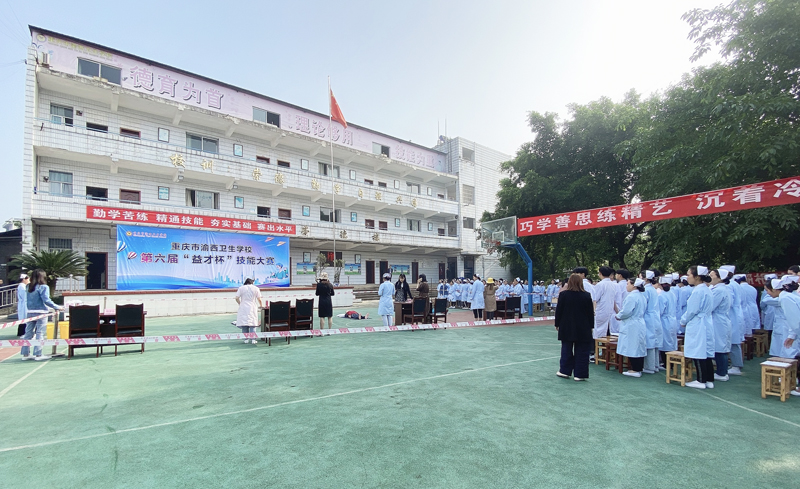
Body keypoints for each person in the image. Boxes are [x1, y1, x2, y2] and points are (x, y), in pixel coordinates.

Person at [555, 274, 595, 381]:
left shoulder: (564, 295)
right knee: (582, 351)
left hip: (567, 326)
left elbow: (559, 311)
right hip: (583, 327)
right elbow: (590, 313)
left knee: (566, 349)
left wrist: (557, 323)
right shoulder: (586, 295)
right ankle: (580, 374)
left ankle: (564, 371)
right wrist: (591, 325)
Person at [680, 266, 715, 389]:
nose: (687, 277)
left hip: (698, 323)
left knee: (698, 351)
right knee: (706, 351)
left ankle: (701, 380)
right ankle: (709, 379)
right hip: (705, 322)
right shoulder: (706, 290)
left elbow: (692, 310)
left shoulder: (698, 291)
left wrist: (683, 321)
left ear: (697, 277)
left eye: (689, 274)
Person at [20, 269, 64, 361]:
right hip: (41, 312)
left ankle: (25, 354)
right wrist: (57, 307)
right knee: (40, 333)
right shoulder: (43, 287)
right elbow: (46, 300)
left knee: (28, 333)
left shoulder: (28, 286)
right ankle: (38, 354)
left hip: (30, 311)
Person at [616, 277, 648, 377]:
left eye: (628, 283)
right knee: (637, 345)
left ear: (633, 285)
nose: (626, 286)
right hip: (639, 322)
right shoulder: (641, 296)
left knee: (632, 346)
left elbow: (626, 311)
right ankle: (637, 368)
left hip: (632, 324)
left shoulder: (632, 297)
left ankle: (636, 369)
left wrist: (618, 316)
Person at [774, 275, 800, 397]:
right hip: (795, 329)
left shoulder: (786, 298)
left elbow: (794, 320)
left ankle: (792, 381)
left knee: (792, 354)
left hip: (796, 329)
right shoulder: (793, 296)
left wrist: (792, 335)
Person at [720, 265, 744, 375]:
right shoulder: (735, 284)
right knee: (734, 341)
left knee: (733, 342)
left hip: (730, 315)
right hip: (734, 314)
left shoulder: (729, 286)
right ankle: (735, 364)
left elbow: (727, 302)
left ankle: (736, 365)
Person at [709, 269, 732, 381]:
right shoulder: (720, 289)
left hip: (718, 320)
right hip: (719, 319)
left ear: (720, 278)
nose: (710, 277)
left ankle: (722, 373)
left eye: (712, 275)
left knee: (720, 347)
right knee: (720, 345)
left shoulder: (719, 291)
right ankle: (722, 371)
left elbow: (711, 305)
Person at [640, 270, 664, 374]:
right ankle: (655, 365)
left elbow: (643, 304)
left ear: (645, 279)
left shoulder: (646, 290)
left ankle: (649, 367)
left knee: (649, 342)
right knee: (654, 342)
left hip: (648, 317)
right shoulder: (653, 289)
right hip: (655, 317)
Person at [657, 275, 678, 368]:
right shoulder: (672, 294)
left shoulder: (661, 296)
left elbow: (660, 310)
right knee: (671, 340)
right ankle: (671, 363)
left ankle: (667, 364)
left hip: (665, 320)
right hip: (672, 319)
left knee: (665, 342)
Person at [235, 278, 263, 344]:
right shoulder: (256, 288)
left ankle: (246, 339)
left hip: (243, 306)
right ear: (252, 282)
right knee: (252, 322)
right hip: (252, 306)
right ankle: (253, 339)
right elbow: (259, 298)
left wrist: (240, 303)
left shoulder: (241, 288)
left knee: (244, 323)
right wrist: (261, 305)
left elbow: (236, 298)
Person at [593, 266, 617, 340]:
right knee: (606, 330)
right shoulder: (613, 284)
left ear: (600, 273)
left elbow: (595, 299)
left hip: (600, 310)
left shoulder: (600, 285)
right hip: (609, 310)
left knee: (596, 331)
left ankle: (594, 349)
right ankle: (604, 350)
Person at [16, 273, 29, 338]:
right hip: (23, 304)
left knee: (24, 318)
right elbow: (24, 296)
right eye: (27, 279)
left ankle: (22, 332)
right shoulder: (22, 286)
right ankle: (22, 333)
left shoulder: (23, 286)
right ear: (24, 279)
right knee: (24, 318)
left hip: (23, 304)